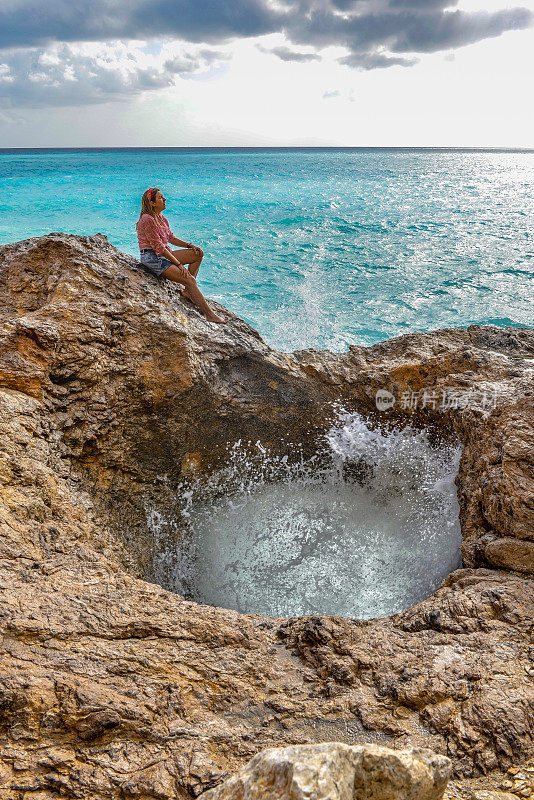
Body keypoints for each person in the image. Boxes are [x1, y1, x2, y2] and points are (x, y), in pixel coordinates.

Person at [136, 187, 228, 324]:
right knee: (190, 280)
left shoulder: (162, 218)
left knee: (197, 255)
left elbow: (171, 238)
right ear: (153, 203)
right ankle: (209, 315)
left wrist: (190, 246)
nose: (165, 199)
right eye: (161, 197)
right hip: (152, 258)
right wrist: (179, 265)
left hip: (164, 254)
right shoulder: (147, 219)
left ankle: (188, 292)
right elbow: (159, 248)